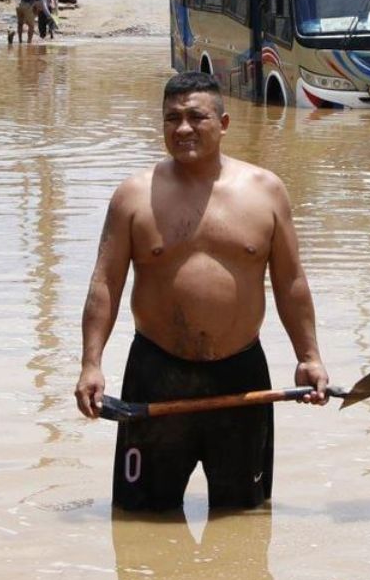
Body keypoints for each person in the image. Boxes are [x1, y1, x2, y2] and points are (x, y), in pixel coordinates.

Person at [75, 71, 328, 512]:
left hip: (241, 375)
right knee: (141, 521)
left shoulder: (266, 191)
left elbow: (291, 283)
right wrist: (90, 364)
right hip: (156, 373)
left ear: (224, 123)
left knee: (243, 520)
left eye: (196, 117)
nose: (183, 128)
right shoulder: (133, 196)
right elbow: (105, 284)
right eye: (172, 118)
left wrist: (309, 357)